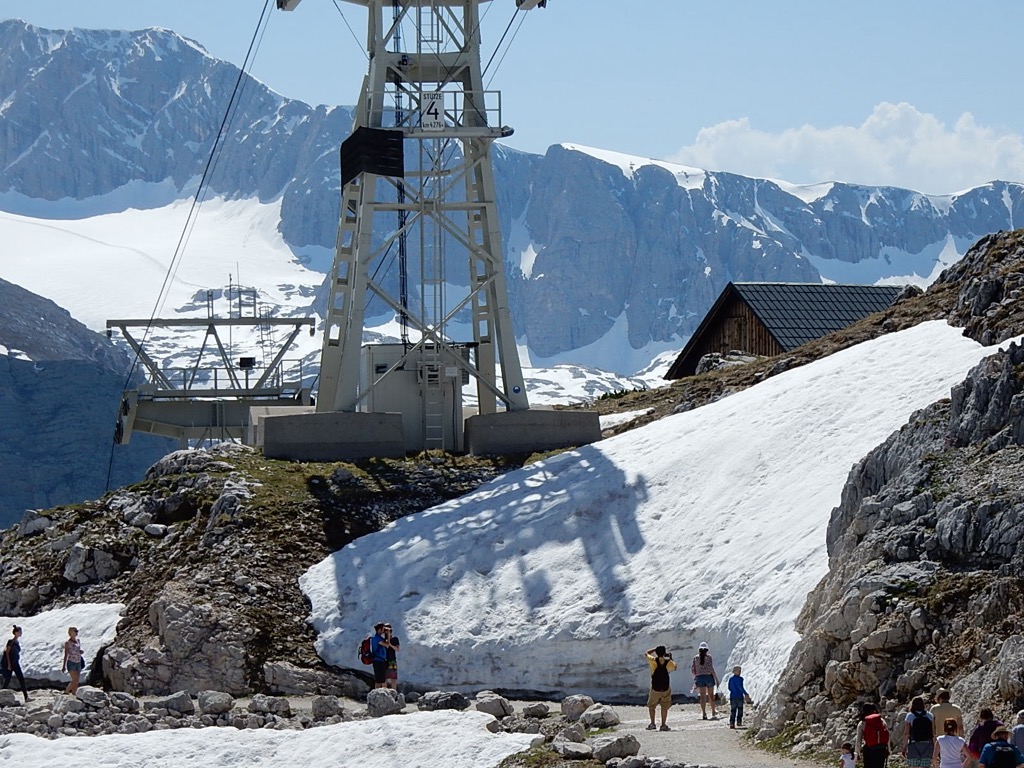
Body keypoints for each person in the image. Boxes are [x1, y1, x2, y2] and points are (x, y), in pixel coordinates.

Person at [645, 645, 677, 731]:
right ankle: (663, 725)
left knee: (652, 706)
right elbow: (675, 667)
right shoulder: (668, 662)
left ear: (656, 653)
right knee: (664, 706)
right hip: (665, 688)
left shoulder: (653, 660)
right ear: (664, 653)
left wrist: (655, 649)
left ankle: (652, 723)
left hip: (655, 688)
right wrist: (671, 658)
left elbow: (646, 653)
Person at [902, 695, 934, 767]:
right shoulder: (929, 715)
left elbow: (906, 733)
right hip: (927, 744)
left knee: (914, 766)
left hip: (914, 744)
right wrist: (934, 746)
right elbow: (933, 732)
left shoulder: (910, 716)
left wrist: (904, 747)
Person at [857, 702, 891, 768]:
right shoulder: (881, 720)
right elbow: (887, 735)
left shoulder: (862, 723)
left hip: (869, 749)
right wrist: (889, 749)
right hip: (882, 748)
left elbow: (858, 741)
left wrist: (857, 753)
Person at [690, 641, 719, 720]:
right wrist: (716, 679)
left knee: (702, 697)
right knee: (711, 696)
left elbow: (693, 669)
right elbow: (711, 669)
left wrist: (696, 678)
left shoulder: (696, 658)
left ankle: (704, 713)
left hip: (700, 678)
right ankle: (713, 711)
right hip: (708, 677)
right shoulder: (709, 657)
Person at [1, 625, 29, 702]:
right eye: (20, 631)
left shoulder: (16, 642)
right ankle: (1, 695)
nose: (21, 633)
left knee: (21, 679)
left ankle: (26, 697)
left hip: (15, 663)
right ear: (16, 632)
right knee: (7, 680)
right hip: (10, 664)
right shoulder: (11, 642)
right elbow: (7, 653)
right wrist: (9, 664)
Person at [369, 622, 394, 689]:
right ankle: (377, 692)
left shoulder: (379, 638)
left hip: (381, 661)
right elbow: (387, 645)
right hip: (378, 661)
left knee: (382, 679)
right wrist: (388, 634)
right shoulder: (377, 638)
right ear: (379, 630)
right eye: (383, 629)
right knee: (379, 680)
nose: (384, 631)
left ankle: (379, 692)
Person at [726, 665, 752, 729]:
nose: (740, 672)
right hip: (739, 696)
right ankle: (739, 721)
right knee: (740, 709)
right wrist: (745, 693)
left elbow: (729, 687)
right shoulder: (740, 679)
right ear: (734, 671)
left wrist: (734, 691)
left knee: (733, 710)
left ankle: (732, 723)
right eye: (738, 671)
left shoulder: (731, 679)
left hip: (733, 696)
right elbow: (740, 687)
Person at [61, 626, 84, 694]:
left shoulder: (78, 641)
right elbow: (66, 654)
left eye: (77, 631)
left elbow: (77, 650)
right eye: (75, 631)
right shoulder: (68, 643)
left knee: (77, 680)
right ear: (71, 633)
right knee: (74, 680)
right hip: (71, 662)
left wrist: (80, 651)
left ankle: (74, 692)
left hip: (78, 661)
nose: (76, 632)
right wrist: (64, 666)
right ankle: (66, 691)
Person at [383, 623, 400, 690]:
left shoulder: (395, 639)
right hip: (384, 660)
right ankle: (384, 692)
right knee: (384, 678)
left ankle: (394, 692)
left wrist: (390, 644)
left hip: (392, 660)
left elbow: (397, 649)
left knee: (393, 678)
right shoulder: (383, 640)